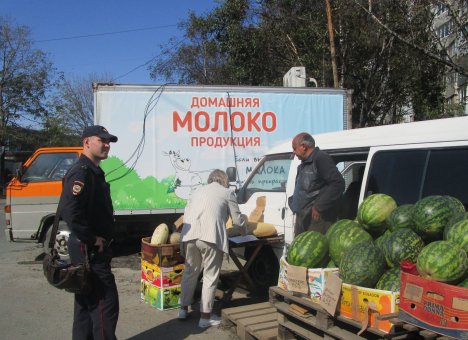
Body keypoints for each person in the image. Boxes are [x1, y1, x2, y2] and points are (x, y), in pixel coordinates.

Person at [60, 125, 119, 340]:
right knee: (105, 305)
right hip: (90, 252)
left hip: (88, 250)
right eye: (102, 140)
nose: (107, 145)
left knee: (85, 306)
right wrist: (92, 238)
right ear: (87, 142)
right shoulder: (81, 172)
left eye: (108, 141)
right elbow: (70, 211)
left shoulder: (92, 171)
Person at [177, 169, 246, 328]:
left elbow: (186, 215)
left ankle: (183, 310)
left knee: (190, 272)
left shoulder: (196, 192)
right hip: (211, 237)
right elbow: (237, 220)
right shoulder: (227, 192)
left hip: (190, 235)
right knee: (210, 276)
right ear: (224, 180)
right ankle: (205, 318)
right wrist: (245, 231)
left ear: (210, 180)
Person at [288, 132, 345, 236]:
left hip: (316, 219)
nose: (293, 152)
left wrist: (319, 206)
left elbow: (338, 183)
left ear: (304, 146)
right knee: (299, 250)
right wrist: (293, 201)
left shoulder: (320, 158)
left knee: (311, 250)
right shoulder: (305, 163)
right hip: (304, 217)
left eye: (294, 148)